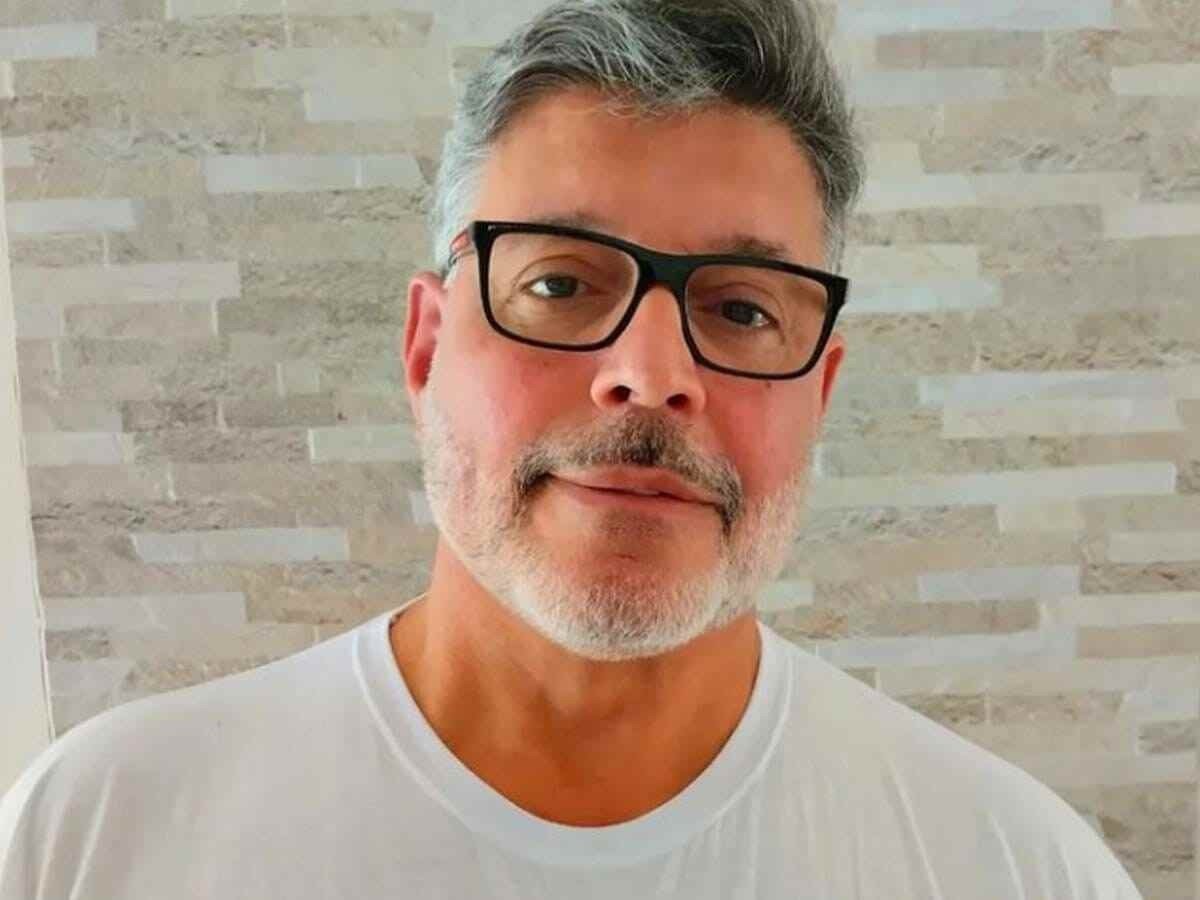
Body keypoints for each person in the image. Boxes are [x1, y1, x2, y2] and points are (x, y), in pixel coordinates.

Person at [0, 1, 1145, 897]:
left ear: (821, 393)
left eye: (743, 309)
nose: (651, 371)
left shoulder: (1016, 868)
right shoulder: (95, 838)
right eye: (559, 283)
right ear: (425, 349)